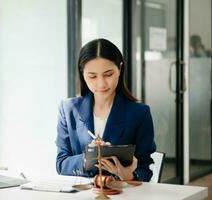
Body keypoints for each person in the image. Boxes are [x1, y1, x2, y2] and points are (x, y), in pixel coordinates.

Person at [56, 38, 156, 182]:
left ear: (120, 69)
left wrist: (129, 175)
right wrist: (88, 158)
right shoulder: (68, 110)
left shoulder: (140, 113)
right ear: (82, 73)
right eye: (92, 76)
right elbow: (61, 164)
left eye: (108, 74)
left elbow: (145, 170)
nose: (101, 83)